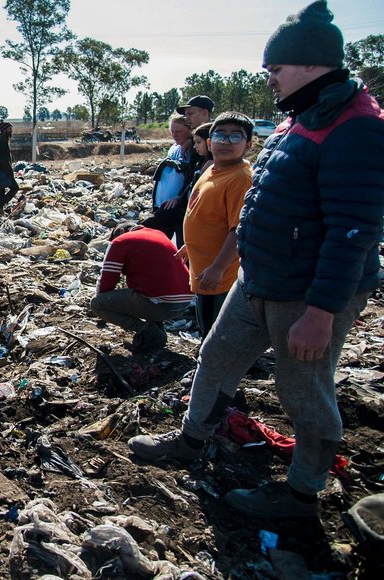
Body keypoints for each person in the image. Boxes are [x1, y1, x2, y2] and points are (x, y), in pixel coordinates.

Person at [128, 0, 384, 521]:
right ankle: (190, 441)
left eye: (276, 68)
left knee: (304, 391)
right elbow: (266, 200)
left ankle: (300, 497)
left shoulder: (356, 126)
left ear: (313, 63)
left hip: (307, 290)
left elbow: (353, 231)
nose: (269, 78)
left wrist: (320, 313)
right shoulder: (300, 116)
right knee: (215, 357)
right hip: (259, 278)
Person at [176, 112, 254, 337]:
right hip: (204, 267)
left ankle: (213, 369)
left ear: (248, 145)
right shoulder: (212, 169)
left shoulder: (240, 178)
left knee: (218, 333)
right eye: (220, 136)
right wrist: (189, 246)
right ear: (210, 143)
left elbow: (239, 229)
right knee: (206, 323)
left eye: (235, 137)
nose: (226, 142)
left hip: (221, 275)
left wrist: (219, 268)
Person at [90, 223, 194, 353]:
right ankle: (157, 331)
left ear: (121, 231)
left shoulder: (120, 241)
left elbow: (107, 282)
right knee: (143, 293)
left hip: (162, 304)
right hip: (184, 302)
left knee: (97, 304)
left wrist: (105, 305)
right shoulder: (158, 234)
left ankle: (148, 332)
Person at [141, 113, 194, 246]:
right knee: (157, 246)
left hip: (178, 207)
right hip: (162, 204)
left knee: (181, 248)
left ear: (189, 130)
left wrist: (179, 197)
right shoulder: (173, 149)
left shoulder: (194, 151)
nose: (175, 135)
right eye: (172, 131)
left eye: (179, 131)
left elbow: (192, 179)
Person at [0, 121, 19, 219]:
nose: (11, 131)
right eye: (9, 129)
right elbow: (4, 160)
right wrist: (10, 173)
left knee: (0, 193)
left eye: (11, 128)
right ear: (4, 130)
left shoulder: (2, 139)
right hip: (1, 170)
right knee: (15, 187)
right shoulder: (3, 140)